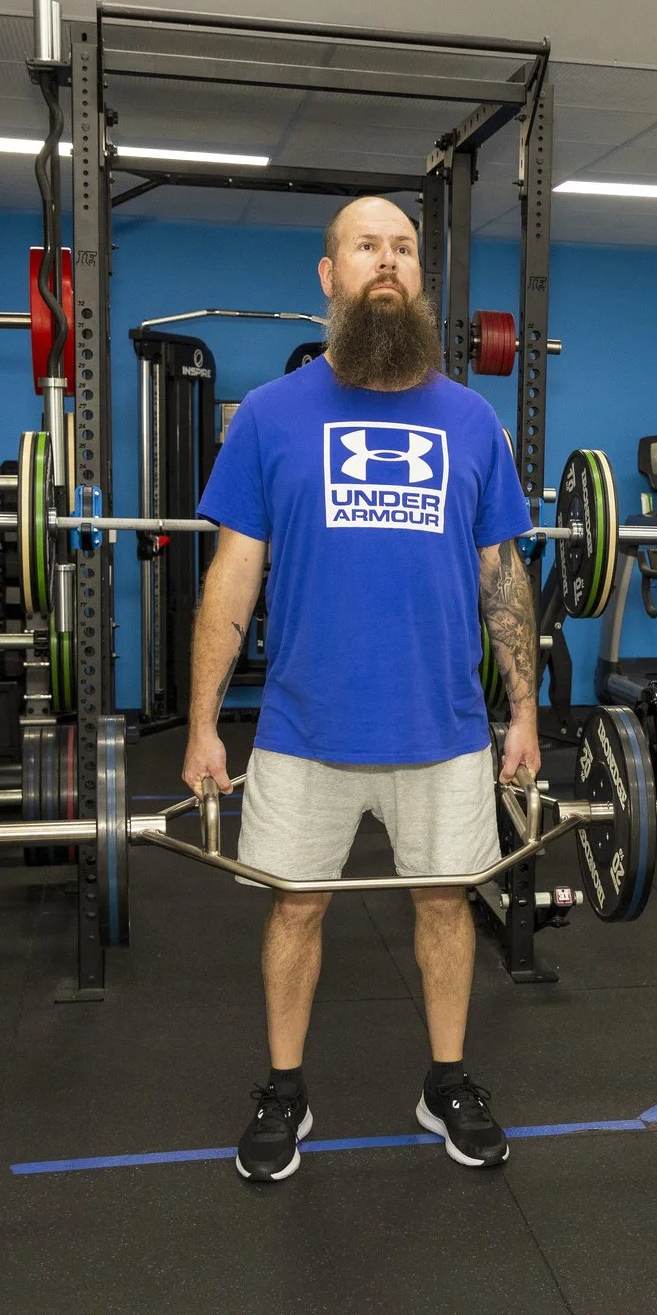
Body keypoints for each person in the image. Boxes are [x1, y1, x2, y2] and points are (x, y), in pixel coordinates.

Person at [186, 195, 542, 1182]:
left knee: (444, 903)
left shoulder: (471, 420)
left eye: (402, 248)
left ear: (417, 273)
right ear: (328, 274)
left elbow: (501, 576)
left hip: (443, 727)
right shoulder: (269, 417)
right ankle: (284, 1086)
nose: (386, 263)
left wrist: (523, 707)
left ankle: (448, 1078)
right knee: (296, 908)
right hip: (305, 727)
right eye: (365, 248)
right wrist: (204, 722)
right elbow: (232, 576)